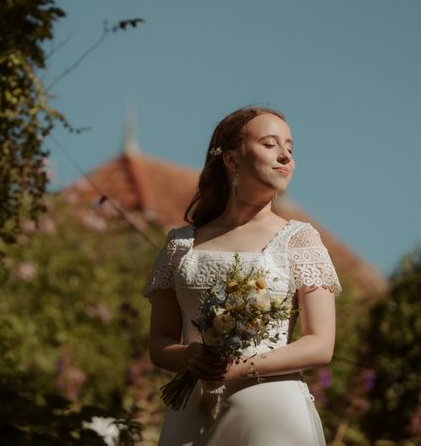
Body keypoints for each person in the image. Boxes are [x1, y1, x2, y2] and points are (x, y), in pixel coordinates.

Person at [144, 106, 342, 446]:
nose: (285, 156)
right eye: (270, 144)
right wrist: (188, 356)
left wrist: (240, 365)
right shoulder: (180, 245)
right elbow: (159, 342)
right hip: (193, 413)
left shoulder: (300, 239)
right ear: (232, 160)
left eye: (290, 149)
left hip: (273, 415)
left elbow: (320, 345)